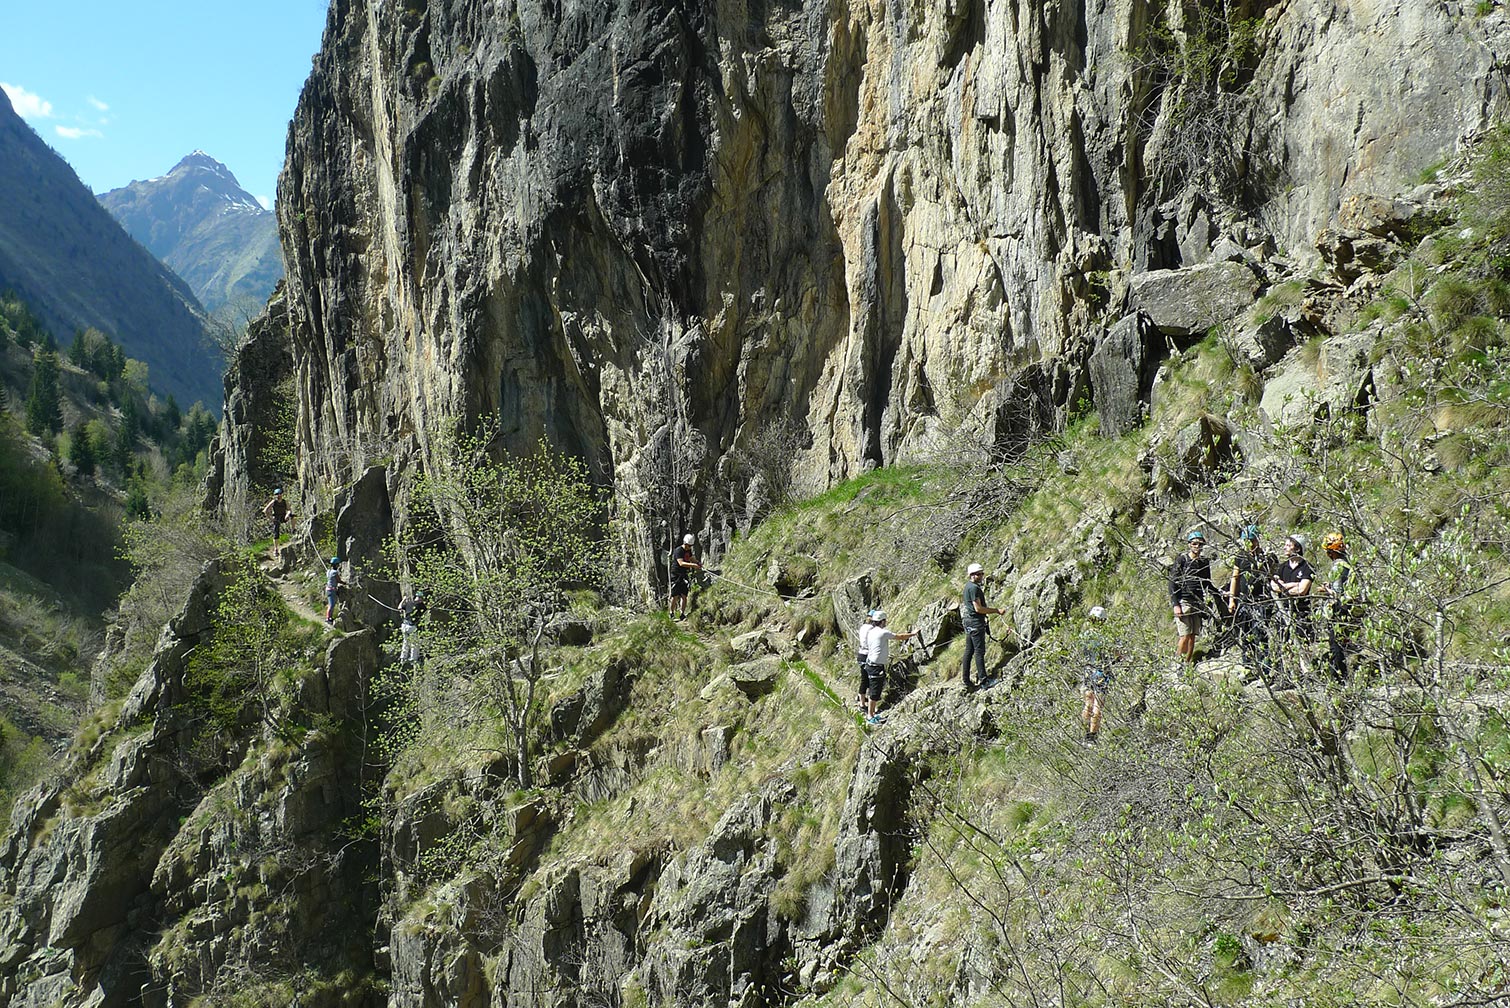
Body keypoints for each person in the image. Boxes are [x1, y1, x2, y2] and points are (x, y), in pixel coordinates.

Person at [1227, 524, 1275, 673]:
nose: (1250, 544)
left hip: (1262, 600)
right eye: (1246, 541)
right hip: (1245, 600)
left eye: (1252, 540)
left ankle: (1265, 668)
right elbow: (1235, 578)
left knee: (1260, 634)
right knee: (1246, 635)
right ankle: (1248, 667)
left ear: (1257, 540)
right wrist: (1232, 599)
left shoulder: (1267, 557)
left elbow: (1273, 576)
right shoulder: (1241, 557)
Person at [861, 610, 918, 724]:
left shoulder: (871, 631)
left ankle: (870, 713)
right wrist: (913, 634)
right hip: (876, 666)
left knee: (873, 689)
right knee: (875, 691)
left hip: (870, 663)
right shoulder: (883, 633)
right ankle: (870, 716)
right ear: (882, 621)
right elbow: (900, 636)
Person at [1270, 534, 1315, 674]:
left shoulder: (1307, 567)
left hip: (1301, 611)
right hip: (1284, 611)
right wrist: (1293, 585)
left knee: (1303, 643)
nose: (1285, 548)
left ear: (1297, 548)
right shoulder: (1282, 567)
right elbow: (1274, 586)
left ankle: (1307, 674)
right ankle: (1289, 673)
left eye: (1288, 545)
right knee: (1285, 643)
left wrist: (1285, 586)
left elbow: (1302, 590)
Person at [1169, 530, 1216, 663]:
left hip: (1198, 602)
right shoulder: (1182, 560)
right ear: (1190, 544)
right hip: (1183, 601)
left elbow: (1207, 583)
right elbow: (1172, 582)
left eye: (1200, 544)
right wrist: (1175, 604)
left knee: (1193, 636)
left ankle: (1187, 664)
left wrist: (1219, 593)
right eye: (1194, 543)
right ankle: (1178, 665)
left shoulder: (1204, 562)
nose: (1197, 546)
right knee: (1184, 635)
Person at [960, 563, 1004, 692]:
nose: (980, 576)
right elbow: (978, 608)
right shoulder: (973, 588)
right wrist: (996, 610)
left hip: (969, 622)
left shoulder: (968, 587)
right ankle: (984, 681)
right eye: (977, 574)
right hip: (975, 623)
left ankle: (966, 680)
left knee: (969, 651)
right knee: (979, 652)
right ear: (971, 575)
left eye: (981, 574)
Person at [1320, 532, 1355, 679]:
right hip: (1349, 608)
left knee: (1336, 645)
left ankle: (1338, 677)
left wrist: (1325, 589)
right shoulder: (1347, 563)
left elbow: (1336, 594)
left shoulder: (1337, 567)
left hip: (1339, 609)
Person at [1080, 605, 1115, 743]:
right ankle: (1091, 737)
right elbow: (1116, 652)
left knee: (1088, 704)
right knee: (1097, 706)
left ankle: (1083, 732)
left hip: (1088, 671)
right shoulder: (1106, 637)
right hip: (1102, 673)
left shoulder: (1084, 636)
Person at [669, 533, 701, 619]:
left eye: (690, 546)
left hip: (684, 574)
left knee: (684, 595)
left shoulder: (688, 550)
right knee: (675, 596)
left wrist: (697, 562)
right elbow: (681, 563)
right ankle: (671, 613)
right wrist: (693, 565)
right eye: (688, 545)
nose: (689, 547)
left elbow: (691, 558)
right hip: (676, 574)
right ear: (685, 543)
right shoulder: (678, 550)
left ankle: (682, 614)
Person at [855, 609, 877, 712]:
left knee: (864, 679)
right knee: (870, 680)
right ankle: (864, 703)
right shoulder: (872, 629)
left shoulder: (863, 627)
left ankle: (861, 701)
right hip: (868, 655)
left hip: (861, 654)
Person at [262, 488, 294, 558]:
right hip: (276, 518)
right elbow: (265, 510)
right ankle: (276, 549)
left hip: (283, 516)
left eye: (280, 494)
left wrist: (287, 515)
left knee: (293, 517)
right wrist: (271, 518)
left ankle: (293, 530)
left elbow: (289, 510)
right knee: (276, 533)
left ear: (282, 494)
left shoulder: (285, 502)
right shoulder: (274, 502)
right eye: (277, 494)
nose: (279, 495)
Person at [400, 589, 426, 666]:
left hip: (404, 625)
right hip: (412, 627)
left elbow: (399, 607)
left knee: (406, 642)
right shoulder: (421, 605)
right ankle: (413, 659)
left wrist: (404, 599)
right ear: (421, 598)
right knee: (414, 643)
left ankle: (403, 658)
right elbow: (426, 610)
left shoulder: (409, 603)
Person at [325, 556, 342, 625]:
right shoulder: (335, 572)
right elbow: (338, 580)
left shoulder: (328, 571)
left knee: (331, 604)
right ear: (336, 565)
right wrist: (345, 583)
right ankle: (328, 618)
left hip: (329, 589)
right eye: (338, 564)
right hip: (332, 590)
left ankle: (329, 617)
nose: (338, 566)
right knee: (331, 605)